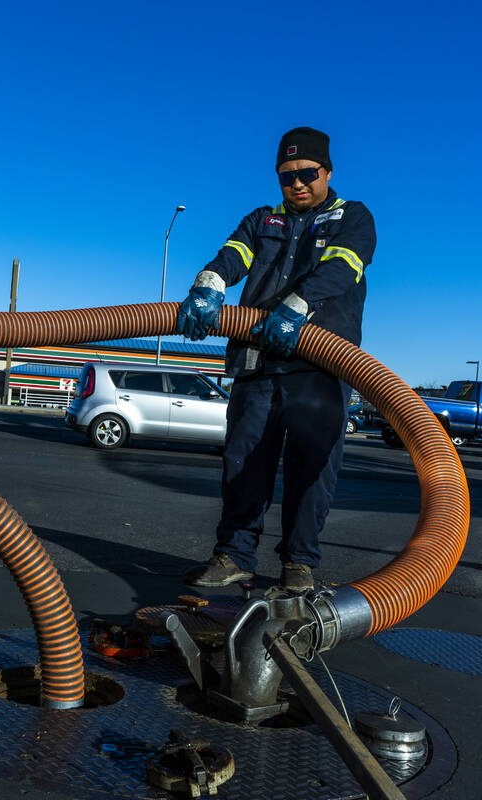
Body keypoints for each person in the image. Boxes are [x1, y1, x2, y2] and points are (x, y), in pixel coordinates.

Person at [176, 126, 376, 593]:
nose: (298, 183)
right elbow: (233, 254)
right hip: (257, 362)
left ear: (327, 171)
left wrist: (299, 304)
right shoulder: (263, 220)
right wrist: (209, 282)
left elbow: (344, 266)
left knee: (311, 470)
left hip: (319, 366)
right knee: (244, 463)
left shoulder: (354, 217)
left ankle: (298, 565)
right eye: (287, 176)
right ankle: (234, 556)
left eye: (308, 173)